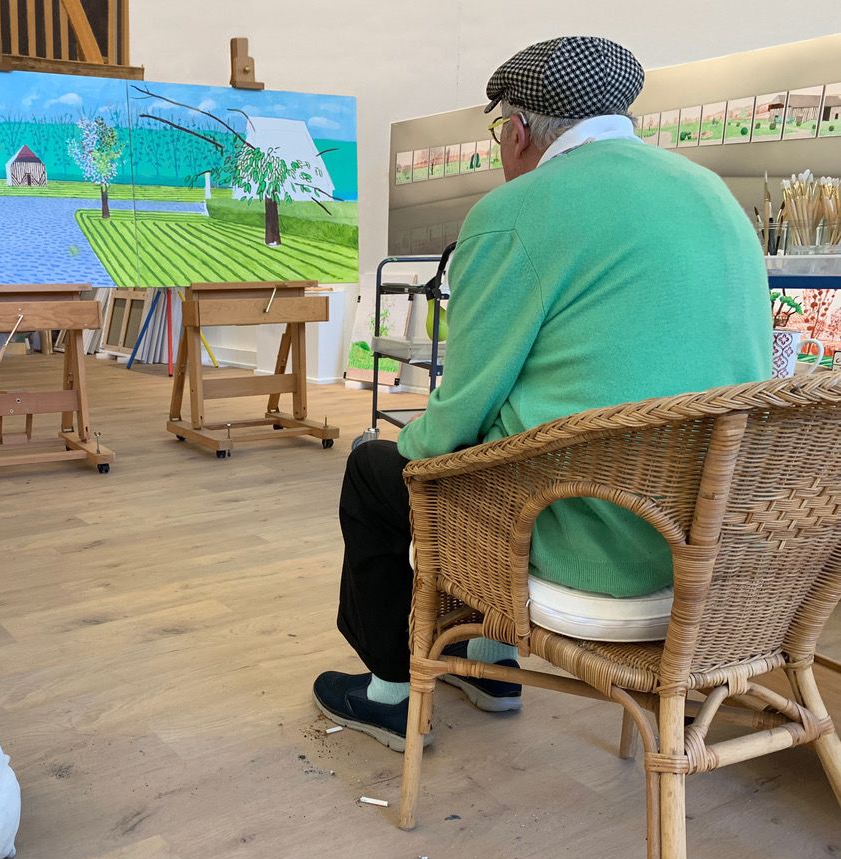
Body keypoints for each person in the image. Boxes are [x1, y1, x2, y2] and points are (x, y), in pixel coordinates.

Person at [314, 36, 772, 751]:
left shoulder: (518, 210)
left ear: (518, 131)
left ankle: (390, 693)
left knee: (385, 469)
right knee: (487, 454)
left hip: (589, 542)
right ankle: (490, 665)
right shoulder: (709, 190)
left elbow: (462, 403)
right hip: (716, 544)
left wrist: (407, 450)